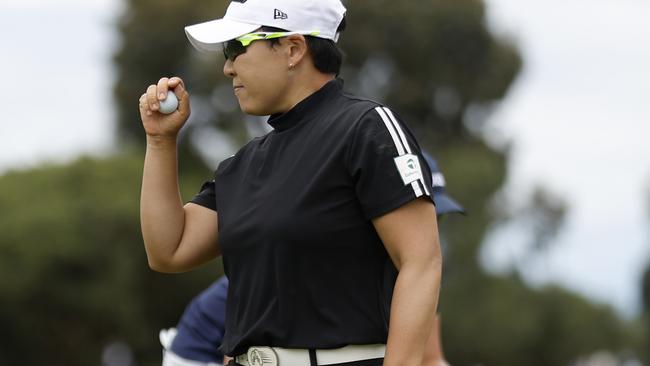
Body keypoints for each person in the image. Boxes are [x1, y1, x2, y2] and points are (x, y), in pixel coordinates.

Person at [138, 0, 442, 365]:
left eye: (236, 47)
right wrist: (160, 142)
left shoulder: (367, 128)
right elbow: (168, 250)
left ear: (293, 49)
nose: (227, 67)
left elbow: (421, 261)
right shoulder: (244, 163)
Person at [158, 155, 465, 366]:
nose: (429, 225)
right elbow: (245, 353)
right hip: (200, 350)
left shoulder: (418, 273)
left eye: (436, 215)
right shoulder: (323, 264)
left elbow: (430, 358)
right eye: (425, 213)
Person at [159, 276, 229, 366]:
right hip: (192, 358)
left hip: (183, 352)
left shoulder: (240, 278)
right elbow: (234, 348)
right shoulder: (246, 286)